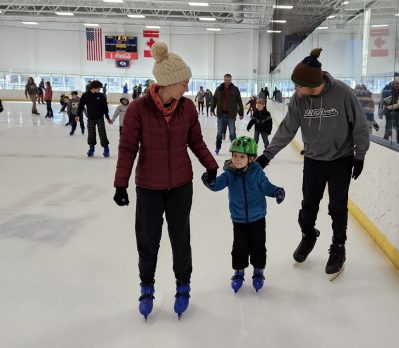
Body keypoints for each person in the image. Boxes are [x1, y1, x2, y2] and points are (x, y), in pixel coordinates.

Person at [113, 42, 218, 320]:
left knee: (180, 238)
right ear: (168, 83)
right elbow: (127, 148)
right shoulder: (138, 109)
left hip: (181, 185)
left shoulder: (187, 108)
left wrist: (211, 166)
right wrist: (120, 183)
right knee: (148, 240)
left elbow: (196, 141)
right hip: (148, 187)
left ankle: (183, 285)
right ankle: (146, 286)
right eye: (184, 82)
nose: (187, 86)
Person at [255, 48, 370, 280]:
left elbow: (360, 125)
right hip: (314, 160)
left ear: (312, 84)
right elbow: (287, 129)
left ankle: (338, 247)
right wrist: (267, 156)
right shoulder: (300, 99)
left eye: (298, 86)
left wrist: (360, 155)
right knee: (308, 206)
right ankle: (308, 234)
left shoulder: (343, 94)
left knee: (337, 207)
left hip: (341, 160)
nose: (295, 90)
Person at [201, 136, 285, 293]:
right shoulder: (229, 174)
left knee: (258, 245)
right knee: (239, 247)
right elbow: (217, 184)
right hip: (238, 219)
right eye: (234, 155)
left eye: (242, 156)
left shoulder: (257, 172)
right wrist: (209, 182)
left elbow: (266, 186)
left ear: (251, 158)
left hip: (258, 217)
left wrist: (277, 191)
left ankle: (258, 270)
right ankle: (239, 271)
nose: (237, 160)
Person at [77, 80, 112, 157]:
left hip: (100, 118)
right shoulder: (85, 95)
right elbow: (81, 106)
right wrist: (78, 115)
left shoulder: (101, 95)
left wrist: (107, 117)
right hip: (90, 118)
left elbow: (105, 108)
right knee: (91, 134)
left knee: (102, 133)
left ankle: (106, 149)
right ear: (94, 87)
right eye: (99, 88)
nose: (100, 89)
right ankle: (91, 148)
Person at [211, 74, 244, 154]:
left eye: (229, 80)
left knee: (232, 132)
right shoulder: (219, 89)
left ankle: (235, 148)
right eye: (226, 80)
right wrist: (212, 109)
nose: (227, 82)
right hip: (221, 115)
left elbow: (239, 101)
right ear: (224, 79)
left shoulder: (235, 89)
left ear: (231, 80)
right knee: (219, 133)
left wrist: (241, 113)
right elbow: (214, 99)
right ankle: (218, 147)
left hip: (231, 115)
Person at [383, 78, 399, 144]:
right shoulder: (392, 91)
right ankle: (385, 141)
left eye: (397, 84)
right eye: (394, 84)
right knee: (388, 128)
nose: (396, 85)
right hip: (390, 113)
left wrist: (388, 107)